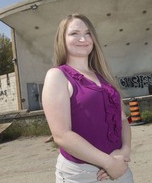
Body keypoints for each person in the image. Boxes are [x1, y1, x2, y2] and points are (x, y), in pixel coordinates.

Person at [42, 13, 134, 183]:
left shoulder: (104, 77)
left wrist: (124, 152)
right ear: (62, 39)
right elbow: (61, 135)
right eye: (74, 33)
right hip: (81, 174)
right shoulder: (57, 76)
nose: (83, 38)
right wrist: (108, 163)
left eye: (88, 33)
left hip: (119, 168)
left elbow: (122, 119)